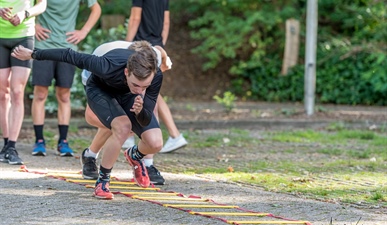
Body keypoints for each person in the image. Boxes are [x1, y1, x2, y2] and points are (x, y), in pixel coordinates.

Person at [12, 40, 164, 200]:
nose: (140, 91)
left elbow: (145, 119)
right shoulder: (106, 65)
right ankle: (103, 181)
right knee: (123, 126)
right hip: (101, 90)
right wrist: (33, 53)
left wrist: (140, 111)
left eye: (144, 87)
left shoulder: (154, 75)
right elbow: (68, 55)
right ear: (127, 72)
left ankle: (134, 155)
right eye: (136, 85)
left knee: (155, 143)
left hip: (126, 96)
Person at [80, 40, 171, 181]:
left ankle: (147, 163)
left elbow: (160, 50)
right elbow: (90, 114)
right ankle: (90, 155)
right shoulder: (104, 58)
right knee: (118, 123)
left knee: (147, 112)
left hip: (131, 86)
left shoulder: (153, 58)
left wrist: (166, 61)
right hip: (105, 87)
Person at [124, 0, 187, 185]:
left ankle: (146, 152)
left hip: (139, 47)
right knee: (153, 95)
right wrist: (161, 46)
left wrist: (126, 45)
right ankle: (174, 135)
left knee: (145, 95)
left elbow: (135, 17)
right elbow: (166, 23)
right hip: (157, 46)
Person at [31, 0, 101, 157]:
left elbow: (96, 9)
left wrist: (84, 31)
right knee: (40, 94)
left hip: (67, 49)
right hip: (44, 46)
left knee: (64, 95)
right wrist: (32, 24)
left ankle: (63, 141)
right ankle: (39, 141)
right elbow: (25, 4)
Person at [0, 0, 47, 165]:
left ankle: (12, 146)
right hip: (0, 36)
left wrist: (25, 14)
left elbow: (42, 5)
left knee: (17, 91)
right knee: (2, 92)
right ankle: (5, 144)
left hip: (24, 36)